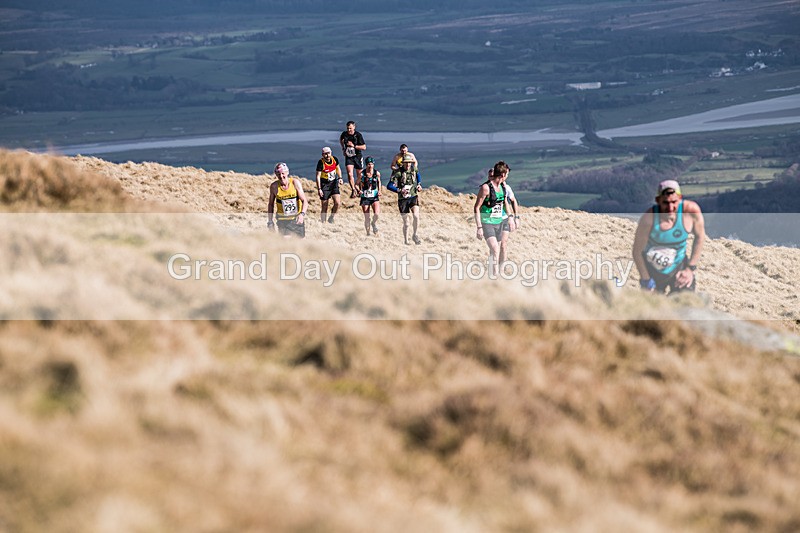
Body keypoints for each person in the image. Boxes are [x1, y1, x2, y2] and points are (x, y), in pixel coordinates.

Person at [632, 179, 706, 293]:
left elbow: (700, 237)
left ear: (680, 199)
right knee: (653, 308)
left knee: (684, 304)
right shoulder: (648, 219)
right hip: (653, 269)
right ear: (658, 201)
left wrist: (690, 268)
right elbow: (637, 252)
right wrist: (646, 280)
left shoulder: (691, 212)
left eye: (674, 202)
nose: (670, 208)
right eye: (665, 203)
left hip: (679, 267)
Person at [474, 161, 511, 276]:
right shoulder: (486, 188)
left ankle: (495, 273)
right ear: (503, 175)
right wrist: (479, 227)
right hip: (487, 222)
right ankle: (495, 277)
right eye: (507, 174)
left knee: (498, 249)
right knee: (495, 249)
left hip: (500, 222)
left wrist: (510, 217)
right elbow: (476, 207)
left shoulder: (503, 187)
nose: (507, 177)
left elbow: (505, 203)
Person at [387, 154, 422, 245]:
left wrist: (419, 185)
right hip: (403, 200)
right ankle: (406, 241)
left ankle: (415, 234)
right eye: (406, 163)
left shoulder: (414, 170)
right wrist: (399, 190)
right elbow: (389, 186)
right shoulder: (398, 172)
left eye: (409, 163)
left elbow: (418, 176)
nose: (408, 165)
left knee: (416, 216)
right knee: (406, 223)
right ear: (402, 163)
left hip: (413, 196)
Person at [267, 162, 308, 238]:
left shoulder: (295, 183)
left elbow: (304, 201)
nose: (281, 176)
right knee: (286, 241)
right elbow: (270, 204)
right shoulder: (274, 186)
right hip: (283, 220)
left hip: (296, 219)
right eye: (278, 174)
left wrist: (302, 214)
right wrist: (270, 221)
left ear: (287, 172)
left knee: (298, 243)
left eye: (283, 173)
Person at [497, 167, 520, 267]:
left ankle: (501, 269)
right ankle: (494, 269)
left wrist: (515, 217)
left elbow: (512, 201)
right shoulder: (488, 188)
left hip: (504, 218)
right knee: (495, 245)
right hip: (492, 219)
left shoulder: (507, 188)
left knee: (503, 244)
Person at [339, 120, 366, 199]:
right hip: (349, 156)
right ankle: (353, 189)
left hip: (357, 156)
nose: (349, 130)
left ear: (354, 127)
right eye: (348, 128)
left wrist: (353, 146)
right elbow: (341, 140)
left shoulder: (358, 135)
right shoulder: (344, 134)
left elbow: (364, 147)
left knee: (359, 175)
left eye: (350, 128)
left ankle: (360, 190)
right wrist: (343, 148)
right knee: (350, 173)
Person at [315, 146, 341, 223]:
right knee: (325, 205)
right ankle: (323, 222)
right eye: (325, 154)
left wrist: (340, 178)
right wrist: (319, 189)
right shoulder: (321, 163)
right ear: (322, 155)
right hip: (324, 184)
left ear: (331, 153)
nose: (327, 155)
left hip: (333, 183)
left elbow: (338, 168)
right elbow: (318, 176)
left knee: (337, 203)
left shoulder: (334, 159)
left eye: (328, 153)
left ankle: (331, 217)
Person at [357, 156, 382, 236]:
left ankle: (373, 223)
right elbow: (356, 184)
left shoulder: (376, 173)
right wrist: (359, 190)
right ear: (366, 165)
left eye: (371, 164)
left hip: (374, 196)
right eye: (368, 164)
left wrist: (379, 191)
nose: (370, 166)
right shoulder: (362, 174)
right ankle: (368, 233)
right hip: (365, 197)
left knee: (377, 214)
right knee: (367, 217)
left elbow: (379, 182)